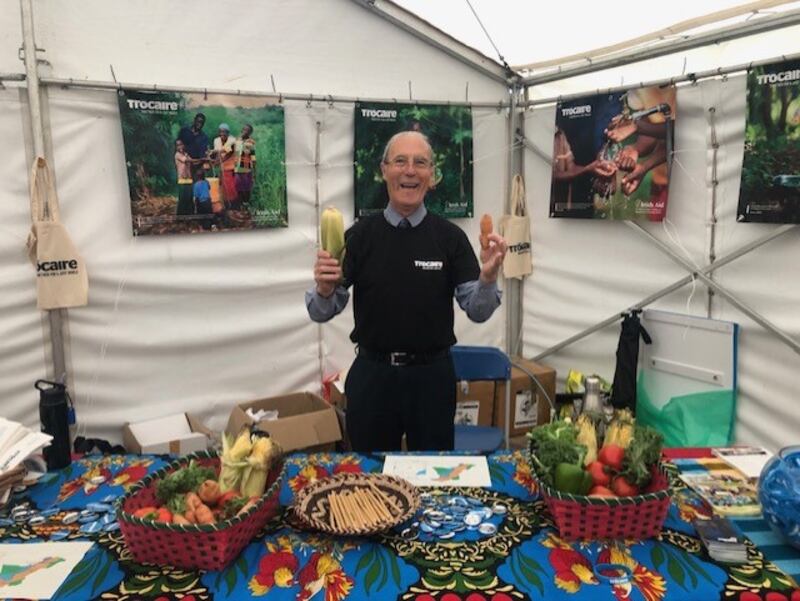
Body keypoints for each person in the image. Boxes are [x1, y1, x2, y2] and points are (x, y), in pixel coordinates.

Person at [306, 131, 507, 452]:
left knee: (433, 471)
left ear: (432, 175)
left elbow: (478, 311)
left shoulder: (450, 238)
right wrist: (325, 289)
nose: (410, 171)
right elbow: (321, 312)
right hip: (373, 377)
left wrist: (488, 278)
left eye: (420, 163)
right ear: (384, 170)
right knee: (371, 472)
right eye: (400, 161)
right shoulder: (358, 237)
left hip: (432, 379)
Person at [212, 123, 238, 209]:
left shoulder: (232, 141)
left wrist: (217, 162)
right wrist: (213, 160)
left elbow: (229, 154)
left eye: (224, 132)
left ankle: (234, 206)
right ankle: (226, 206)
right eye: (220, 132)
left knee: (231, 188)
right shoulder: (216, 141)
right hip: (222, 169)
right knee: (223, 188)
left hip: (231, 168)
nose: (222, 134)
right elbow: (217, 154)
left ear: (228, 133)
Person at [235, 124, 257, 208]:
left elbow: (253, 157)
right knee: (238, 187)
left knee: (247, 188)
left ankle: (246, 204)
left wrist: (254, 171)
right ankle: (240, 205)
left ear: (250, 133)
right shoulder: (237, 140)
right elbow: (234, 152)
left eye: (247, 130)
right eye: (243, 129)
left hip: (246, 168)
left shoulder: (251, 142)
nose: (244, 131)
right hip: (237, 168)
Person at [174, 139, 195, 216]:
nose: (180, 146)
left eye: (181, 144)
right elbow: (186, 160)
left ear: (184, 145)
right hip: (182, 179)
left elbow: (193, 161)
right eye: (178, 145)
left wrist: (204, 160)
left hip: (189, 179)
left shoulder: (186, 154)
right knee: (182, 199)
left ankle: (190, 214)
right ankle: (180, 216)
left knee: (189, 198)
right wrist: (201, 159)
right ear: (176, 147)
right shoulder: (177, 155)